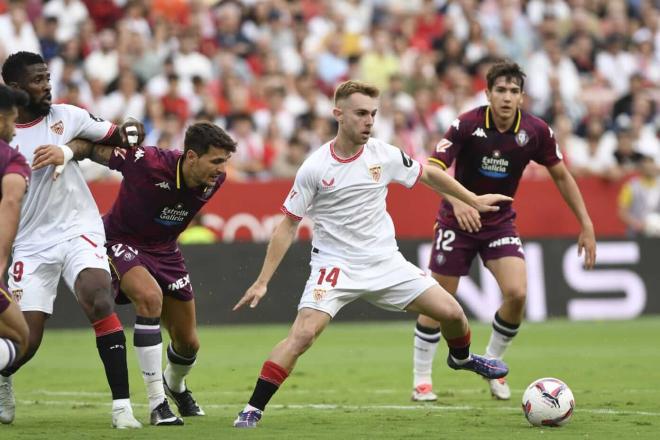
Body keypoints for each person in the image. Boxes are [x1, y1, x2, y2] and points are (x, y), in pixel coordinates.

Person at [231, 80, 513, 429]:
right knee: (303, 335)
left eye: (373, 114)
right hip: (334, 267)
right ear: (338, 114)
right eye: (361, 113)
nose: (369, 121)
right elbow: (287, 225)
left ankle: (462, 358)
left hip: (385, 262)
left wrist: (471, 199)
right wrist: (262, 282)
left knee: (453, 314)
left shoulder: (385, 154)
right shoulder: (315, 167)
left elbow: (430, 175)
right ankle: (253, 408)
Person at [411, 61, 597, 403]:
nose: (507, 97)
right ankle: (422, 378)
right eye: (501, 90)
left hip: (499, 221)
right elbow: (431, 169)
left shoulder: (536, 131)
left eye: (513, 91)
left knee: (518, 293)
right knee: (439, 301)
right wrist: (458, 201)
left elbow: (561, 175)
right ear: (488, 93)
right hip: (458, 219)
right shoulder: (466, 124)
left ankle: (492, 364)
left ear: (522, 98)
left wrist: (585, 223)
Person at [33, 121, 236, 425]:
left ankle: (176, 386)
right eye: (216, 161)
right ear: (191, 156)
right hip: (119, 240)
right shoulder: (148, 162)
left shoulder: (214, 181)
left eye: (225, 162)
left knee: (188, 343)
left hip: (166, 251)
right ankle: (158, 405)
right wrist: (64, 150)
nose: (221, 169)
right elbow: (90, 148)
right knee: (150, 299)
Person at [0, 51, 142, 428]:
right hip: (30, 242)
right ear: (15, 88)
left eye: (48, 77)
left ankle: (122, 408)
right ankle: (3, 376)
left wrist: (75, 147)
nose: (47, 86)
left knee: (99, 296)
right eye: (37, 80)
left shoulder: (68, 116)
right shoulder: (5, 139)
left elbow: (124, 137)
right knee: (24, 342)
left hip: (79, 226)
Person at [0, 85, 30, 409]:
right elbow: (10, 201)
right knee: (19, 337)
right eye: (12, 120)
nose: (14, 126)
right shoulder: (11, 158)